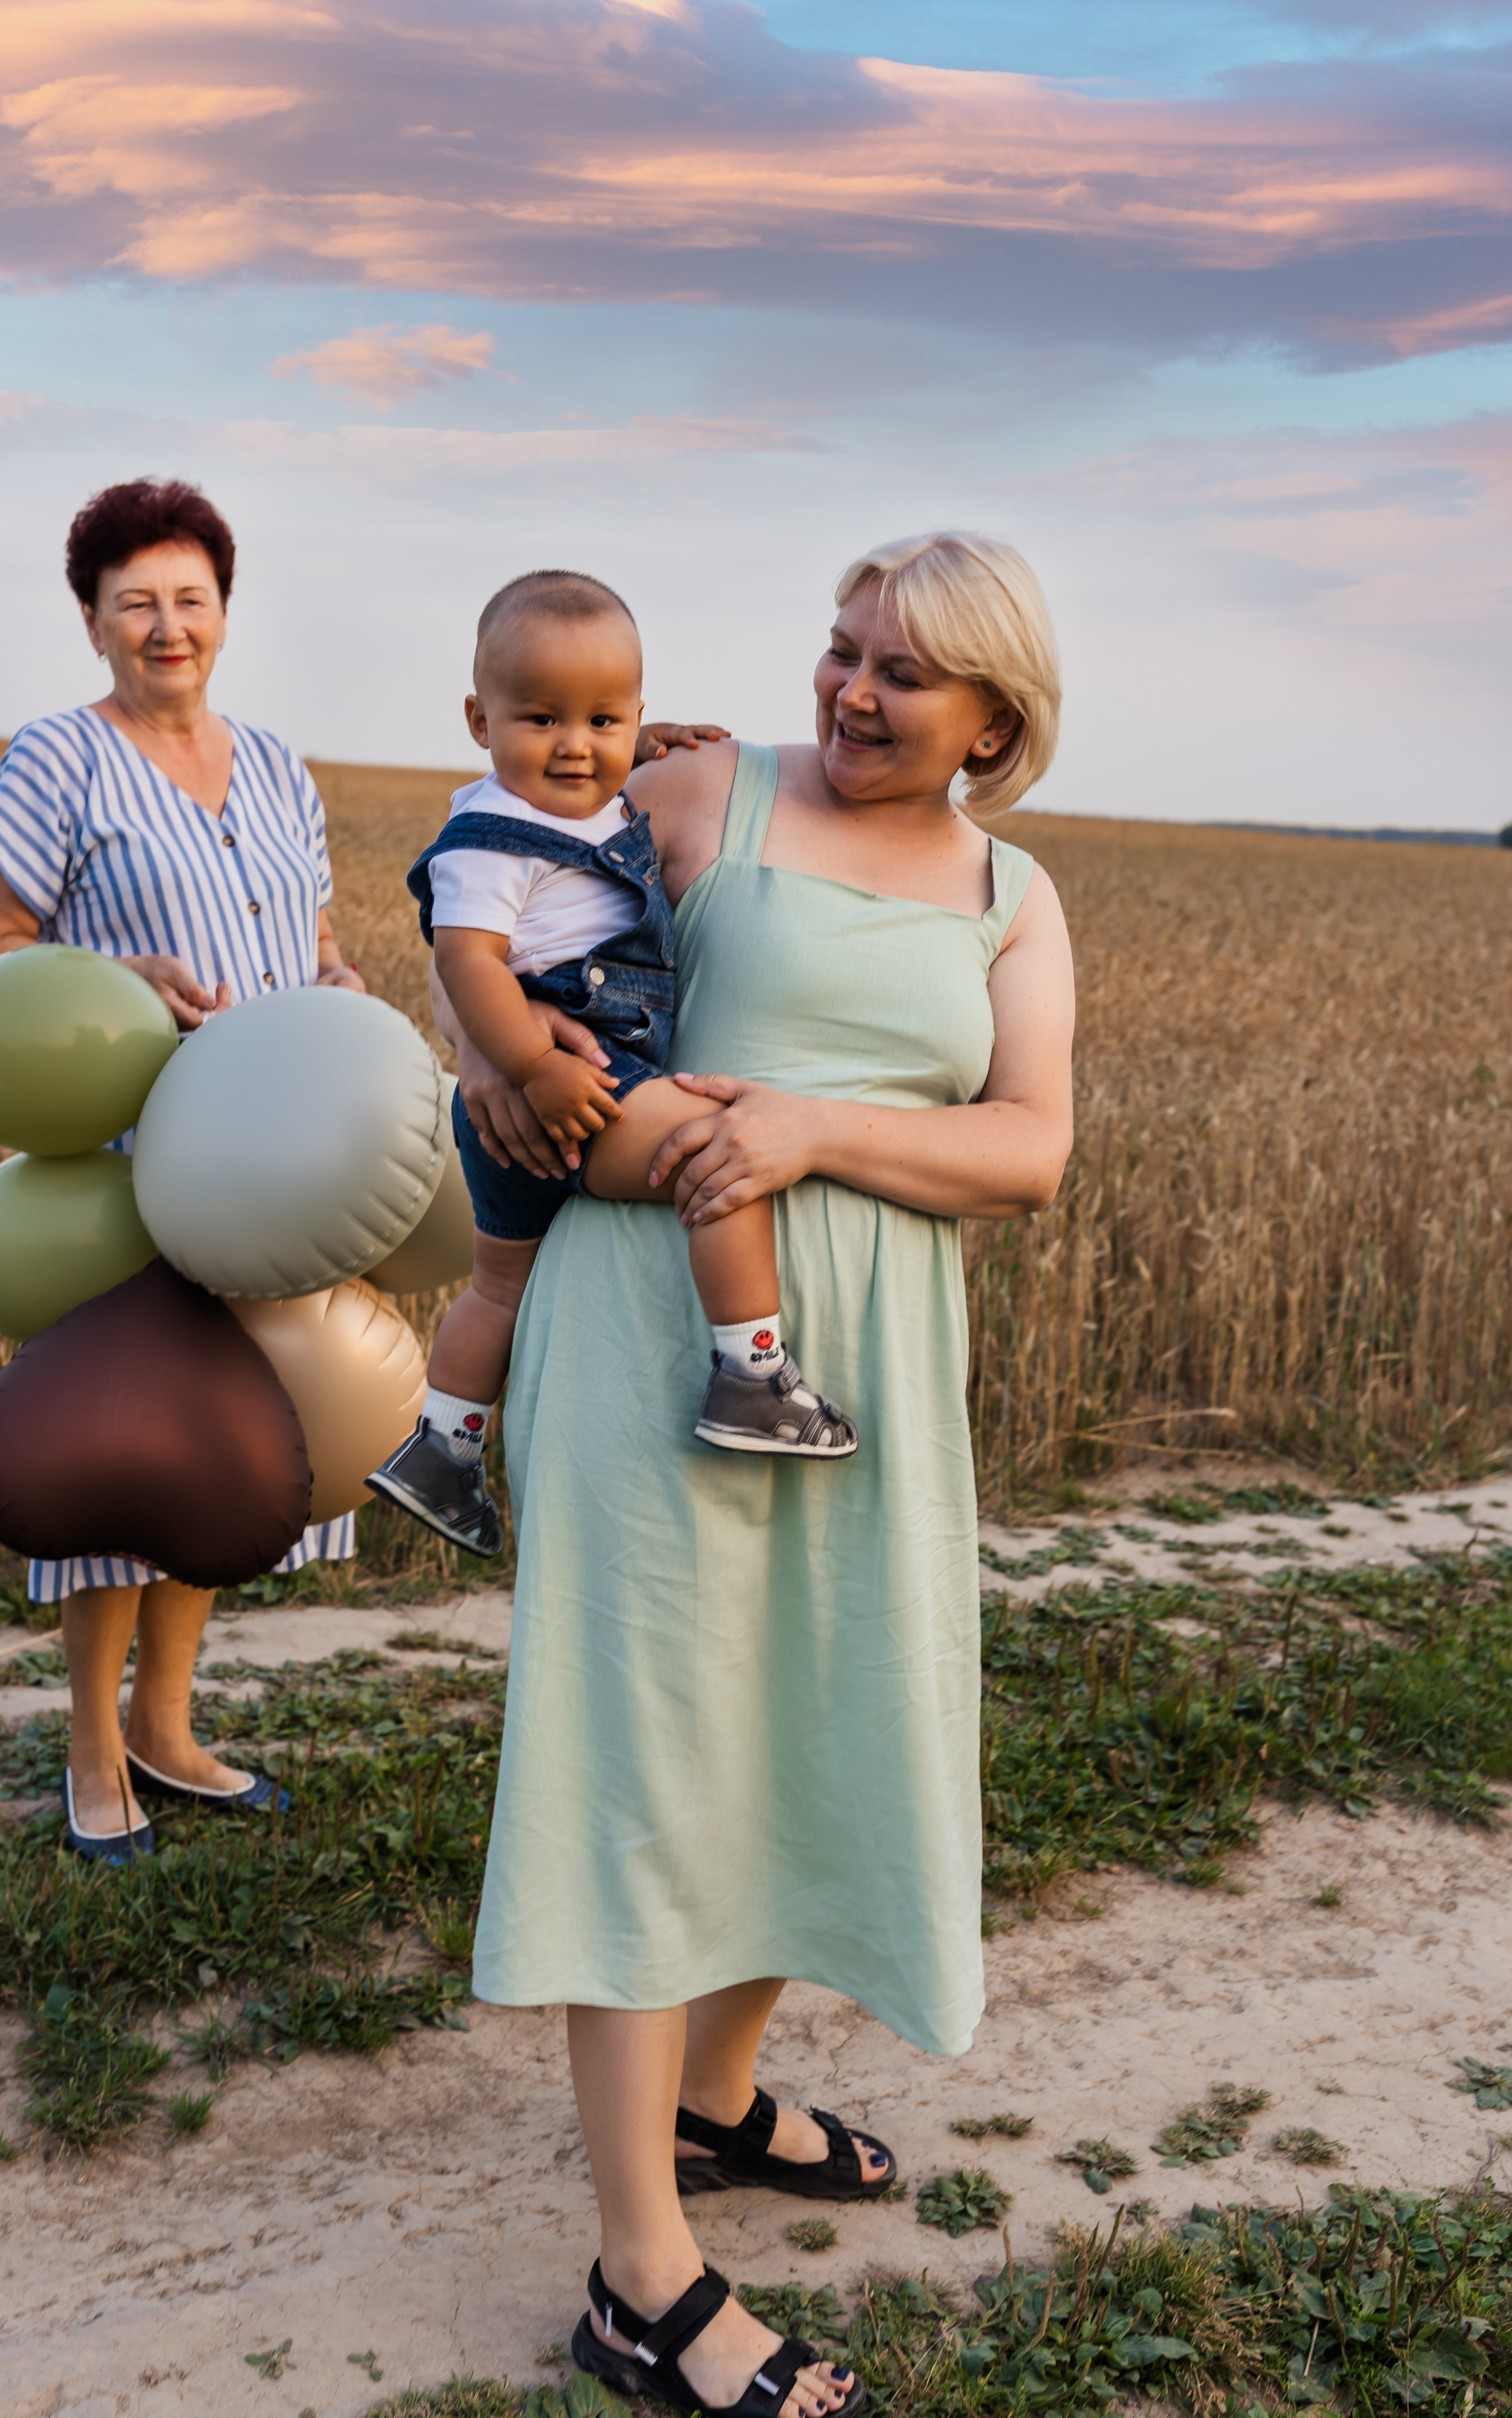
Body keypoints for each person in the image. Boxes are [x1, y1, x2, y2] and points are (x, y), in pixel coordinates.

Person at [454, 532, 1075, 2418]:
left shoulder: (1013, 890)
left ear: (996, 717)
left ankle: (719, 2100)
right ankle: (643, 2280)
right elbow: (497, 913)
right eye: (840, 648)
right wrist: (495, 1070)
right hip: (658, 1336)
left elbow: (1031, 1146)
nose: (851, 691)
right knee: (647, 1757)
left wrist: (812, 1121)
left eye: (901, 672)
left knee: (819, 1727)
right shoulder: (701, 790)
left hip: (872, 1354)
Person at [0, 477, 368, 1865]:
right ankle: (89, 1748)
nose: (166, 625)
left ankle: (169, 1725)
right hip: (129, 1167)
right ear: (92, 623)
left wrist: (339, 995)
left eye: (189, 599)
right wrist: (114, 979)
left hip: (272, 1166)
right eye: (136, 602)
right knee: (123, 1447)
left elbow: (305, 950)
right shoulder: (60, 759)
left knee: (231, 1446)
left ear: (225, 614)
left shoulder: (281, 768)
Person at [367, 569, 856, 1557]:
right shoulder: (489, 841)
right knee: (722, 1157)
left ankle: (443, 1451)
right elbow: (468, 962)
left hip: (541, 1099)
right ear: (479, 718)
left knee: (495, 1290)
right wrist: (522, 1067)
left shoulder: (575, 796)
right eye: (541, 718)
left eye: (604, 720)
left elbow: (592, 762)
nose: (575, 747)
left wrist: (646, 737)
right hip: (570, 1087)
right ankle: (752, 1374)